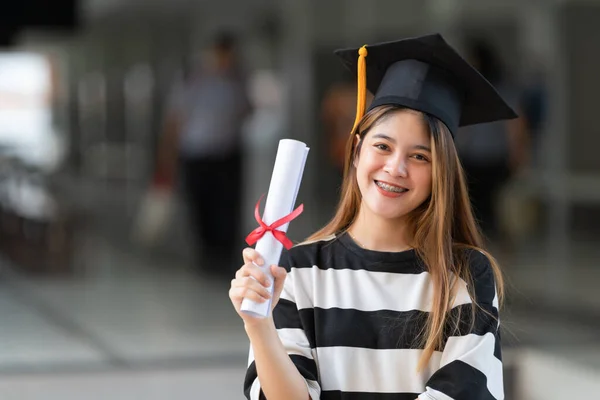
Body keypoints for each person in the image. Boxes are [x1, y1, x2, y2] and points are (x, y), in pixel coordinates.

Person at [229, 33, 516, 399]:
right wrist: (259, 326)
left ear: (441, 173)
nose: (395, 167)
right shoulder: (295, 271)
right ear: (356, 151)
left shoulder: (464, 274)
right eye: (383, 146)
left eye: (420, 156)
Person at [157, 30, 252, 276]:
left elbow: (246, 110)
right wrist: (167, 155)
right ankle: (207, 253)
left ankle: (226, 253)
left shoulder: (237, 79)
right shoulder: (192, 78)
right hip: (196, 154)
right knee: (201, 204)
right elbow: (175, 119)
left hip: (228, 152)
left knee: (228, 205)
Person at [455, 37, 530, 240]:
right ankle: (480, 247)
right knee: (475, 208)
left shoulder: (502, 88)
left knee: (492, 209)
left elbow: (516, 125)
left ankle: (495, 249)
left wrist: (518, 154)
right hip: (472, 156)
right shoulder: (471, 89)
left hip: (493, 157)